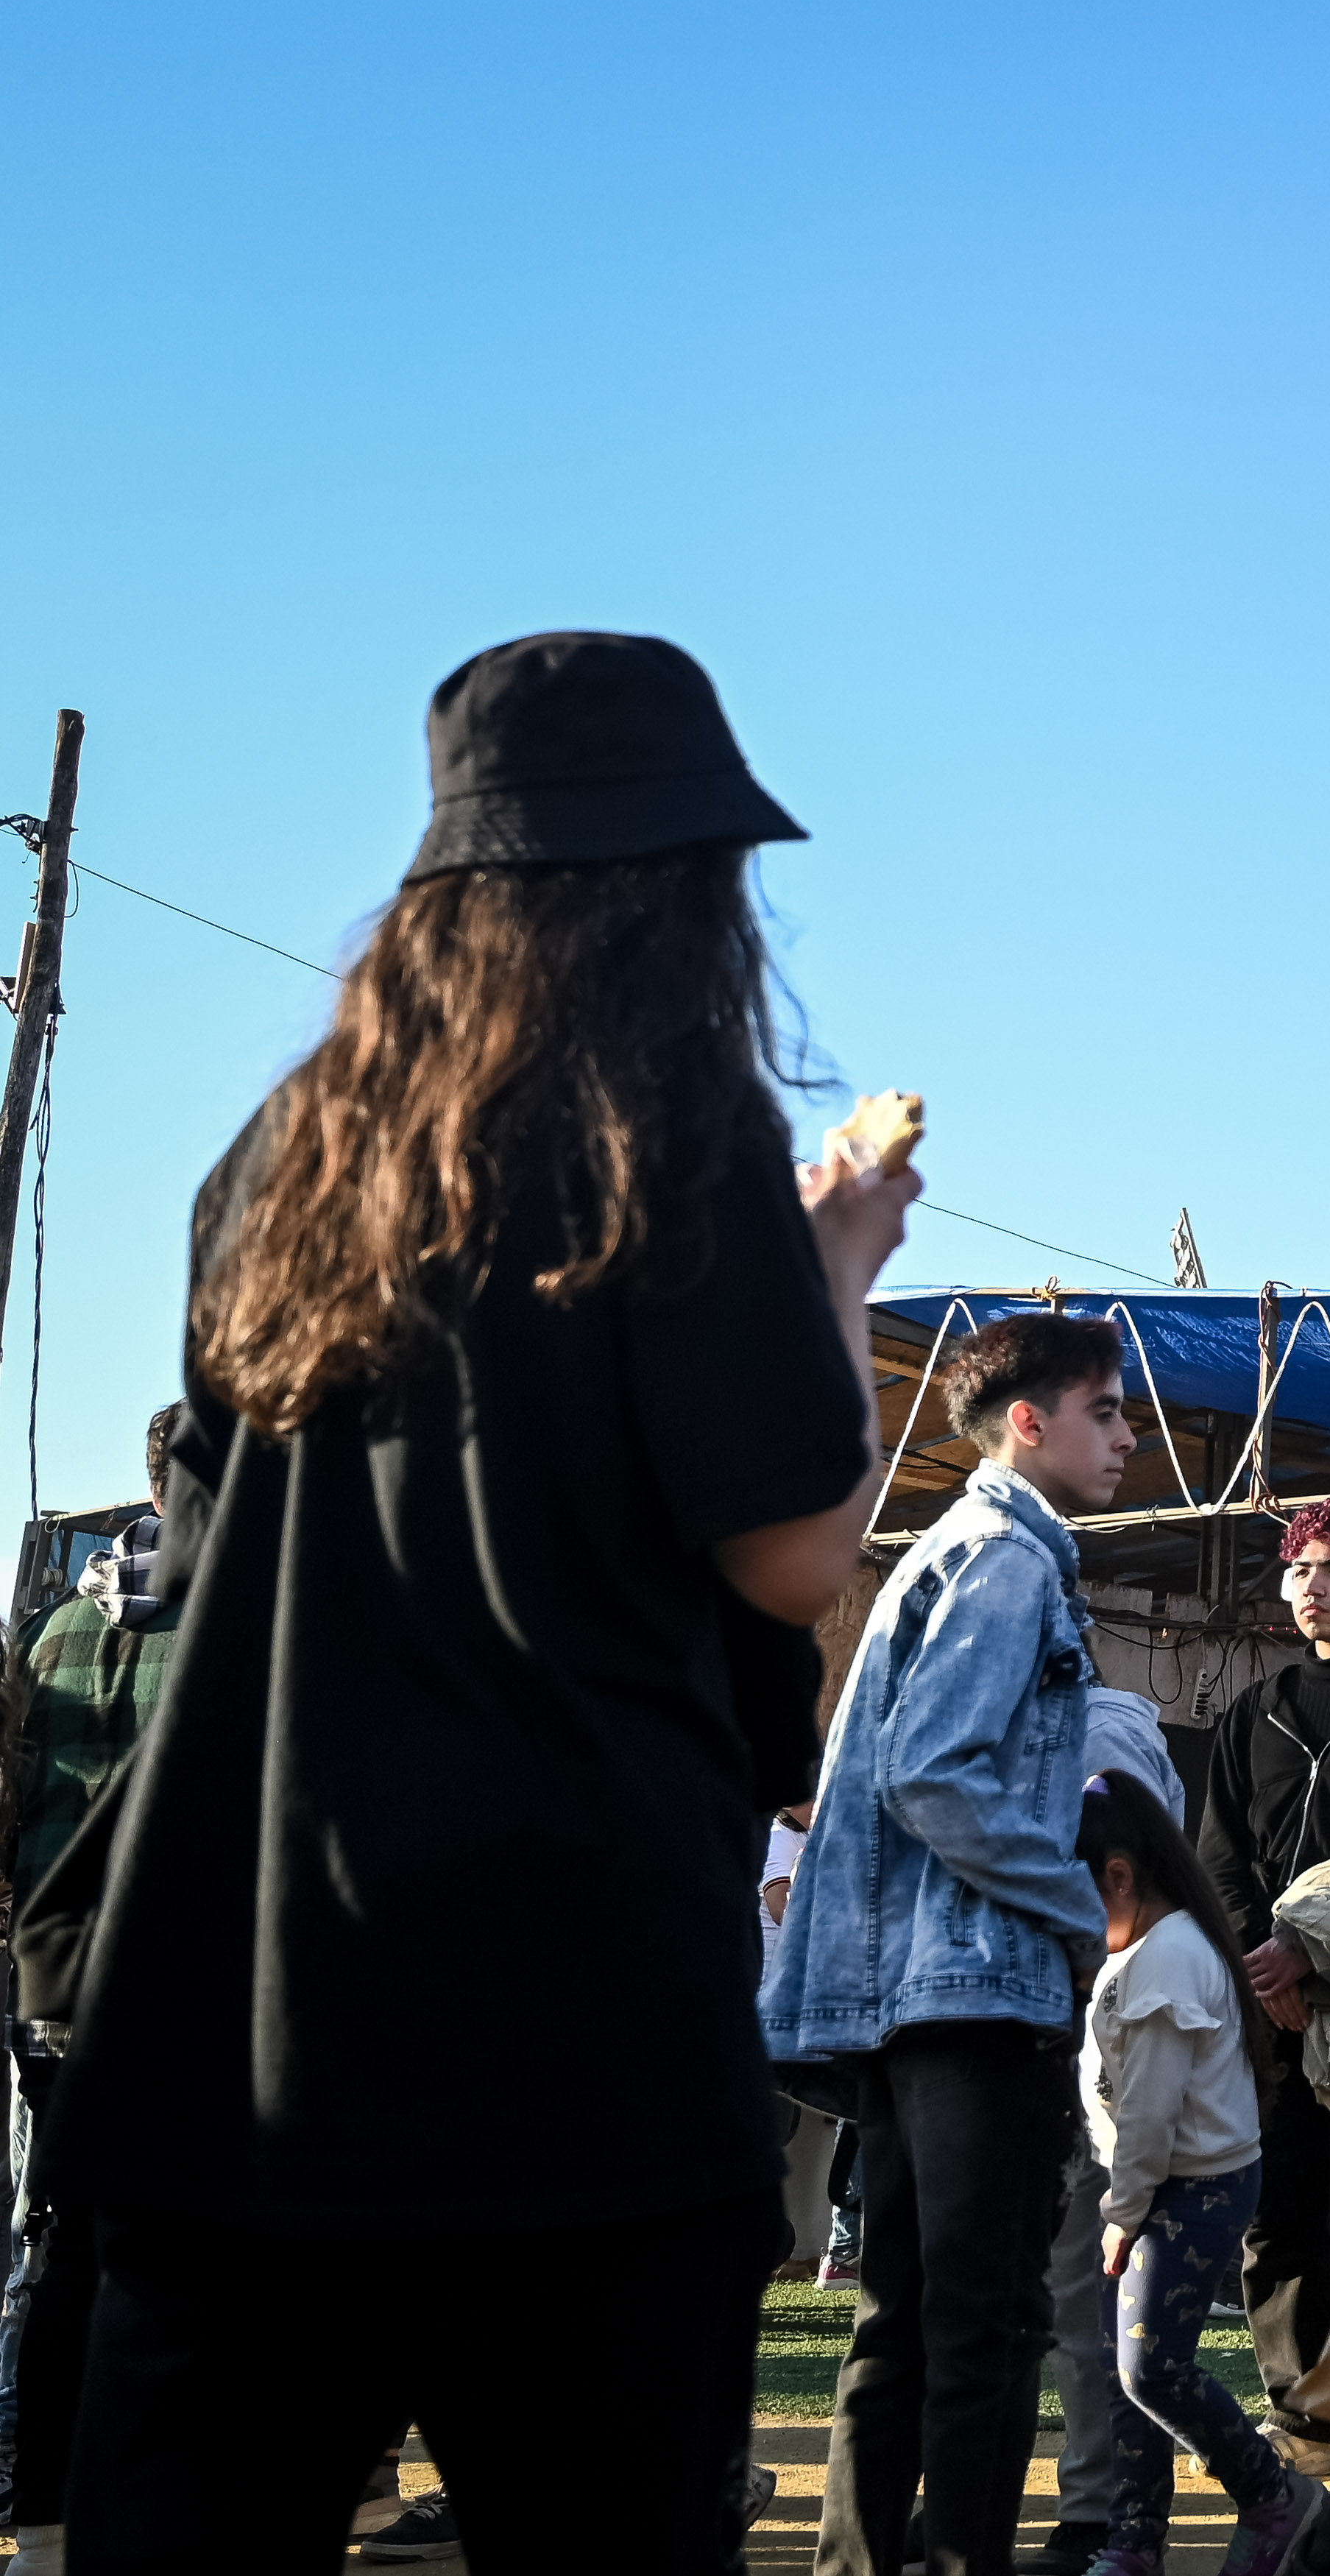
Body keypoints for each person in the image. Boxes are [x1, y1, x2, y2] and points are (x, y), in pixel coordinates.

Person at [45, 632, 913, 2575]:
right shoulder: (669, 1126)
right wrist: (840, 1257)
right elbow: (791, 1548)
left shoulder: (276, 1162)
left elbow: (201, 1564)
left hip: (238, 2020)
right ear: (678, 886)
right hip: (569, 2018)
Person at [769, 1311, 1139, 2576]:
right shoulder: (1007, 1558)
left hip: (909, 1997)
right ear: (1027, 1421)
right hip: (974, 1993)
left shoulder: (954, 1545)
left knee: (908, 2322)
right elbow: (935, 1769)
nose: (1129, 1435)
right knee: (983, 2320)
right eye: (1106, 1410)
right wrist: (1074, 1903)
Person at [1195, 1499, 1330, 2452]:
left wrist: (1317, 1953)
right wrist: (1263, 1962)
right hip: (1271, 2005)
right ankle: (1302, 2412)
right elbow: (1219, 1853)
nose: (1311, 1586)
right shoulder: (1257, 1712)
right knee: (1275, 2215)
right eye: (1297, 1569)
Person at [1, 1406, 183, 2563]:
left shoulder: (60, 1624)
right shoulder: (251, 1615)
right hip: (185, 1981)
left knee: (65, 2245)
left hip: (56, 1982)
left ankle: (51, 2520)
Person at [1071, 1771, 1320, 2575]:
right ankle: (1133, 2541)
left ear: (1118, 1875)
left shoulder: (1168, 1956)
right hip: (1156, 2189)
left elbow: (1151, 2110)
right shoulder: (1146, 1948)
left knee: (1150, 2367)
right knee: (1128, 2375)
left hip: (1188, 2192)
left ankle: (1275, 2496)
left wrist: (1122, 2213)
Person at [1027, 1689, 1200, 2576]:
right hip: (1058, 2034)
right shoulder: (1064, 1722)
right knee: (1071, 2293)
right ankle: (1095, 2508)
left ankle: (1108, 2512)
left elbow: (1118, 1878)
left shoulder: (1099, 1731)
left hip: (1090, 2043)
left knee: (1098, 2293)